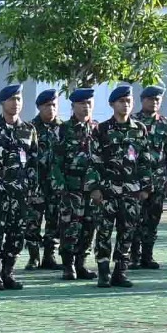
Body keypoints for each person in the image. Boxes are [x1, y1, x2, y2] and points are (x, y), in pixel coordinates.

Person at [0, 85, 37, 290]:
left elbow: (33, 162)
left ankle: (8, 273)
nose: (16, 103)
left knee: (16, 234)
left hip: (20, 192)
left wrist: (31, 189)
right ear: (2, 102)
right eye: (11, 99)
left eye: (19, 99)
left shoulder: (28, 129)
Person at [88, 86, 143, 289]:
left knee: (127, 232)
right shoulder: (101, 130)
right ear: (112, 104)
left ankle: (120, 271)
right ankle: (103, 272)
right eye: (121, 101)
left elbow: (144, 161)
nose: (126, 104)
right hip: (107, 191)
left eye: (129, 100)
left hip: (131, 191)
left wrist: (145, 187)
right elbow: (93, 161)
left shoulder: (139, 129)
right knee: (103, 232)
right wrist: (94, 187)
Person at [50, 88, 100, 280]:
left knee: (89, 226)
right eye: (81, 104)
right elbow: (55, 161)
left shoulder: (97, 129)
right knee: (70, 226)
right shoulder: (64, 129)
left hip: (92, 189)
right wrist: (60, 186)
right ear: (73, 107)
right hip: (71, 187)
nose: (86, 107)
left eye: (89, 103)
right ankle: (68, 265)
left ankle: (81, 264)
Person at [134, 85, 167, 268]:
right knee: (135, 218)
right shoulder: (133, 122)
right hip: (136, 179)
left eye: (158, 99)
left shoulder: (164, 123)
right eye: (151, 99)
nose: (154, 102)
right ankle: (133, 256)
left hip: (158, 178)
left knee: (153, 218)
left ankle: (147, 256)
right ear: (143, 100)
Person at [26, 90, 62, 268]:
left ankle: (50, 256)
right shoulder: (30, 128)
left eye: (54, 105)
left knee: (54, 221)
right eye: (47, 105)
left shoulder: (63, 128)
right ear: (39, 107)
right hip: (36, 184)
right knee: (32, 221)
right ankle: (33, 257)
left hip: (56, 184)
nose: (51, 109)